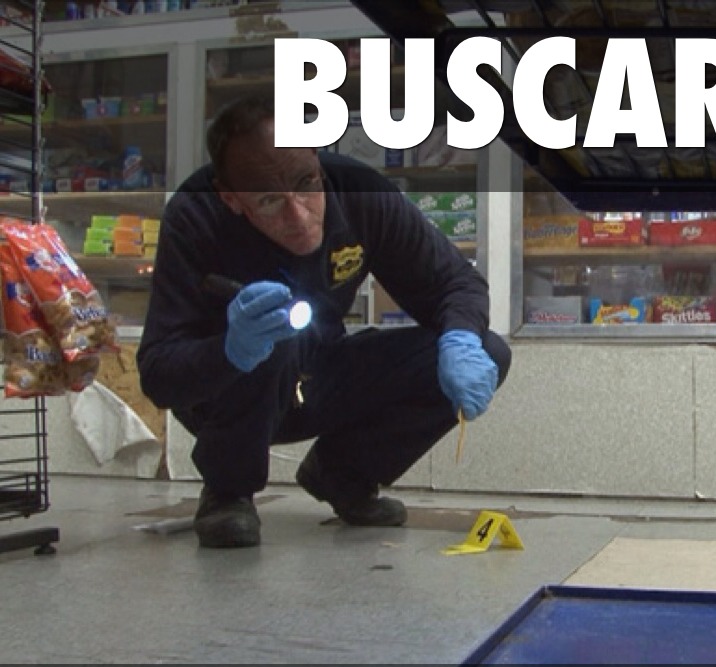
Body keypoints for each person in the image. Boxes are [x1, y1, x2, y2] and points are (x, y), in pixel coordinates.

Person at [137, 94, 511, 548]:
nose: (298, 215)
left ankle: (342, 473)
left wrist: (460, 339)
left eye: (306, 184)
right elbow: (158, 375)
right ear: (231, 198)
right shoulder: (194, 216)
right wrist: (229, 350)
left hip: (320, 372)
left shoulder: (359, 193)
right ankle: (227, 491)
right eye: (269, 200)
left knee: (489, 349)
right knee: (275, 335)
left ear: (316, 157)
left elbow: (455, 282)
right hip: (229, 396)